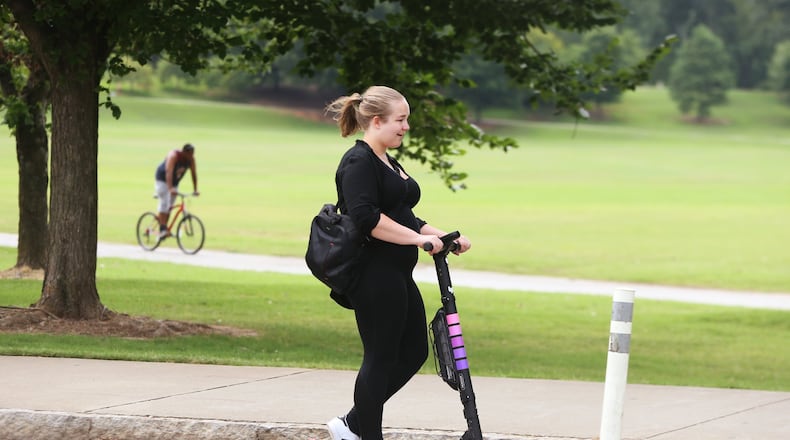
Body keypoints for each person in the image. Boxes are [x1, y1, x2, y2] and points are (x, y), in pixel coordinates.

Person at [324, 85, 471, 440]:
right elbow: (366, 218)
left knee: (415, 351)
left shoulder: (387, 160)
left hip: (396, 273)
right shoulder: (358, 162)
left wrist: (444, 235)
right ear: (377, 121)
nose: (406, 127)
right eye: (400, 120)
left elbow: (405, 215)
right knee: (380, 357)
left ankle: (353, 424)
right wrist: (420, 239)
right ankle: (364, 434)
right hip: (373, 274)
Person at [154, 143, 199, 238]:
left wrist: (195, 189)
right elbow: (169, 172)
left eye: (192, 154)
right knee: (164, 203)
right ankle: (162, 230)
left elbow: (194, 174)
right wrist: (170, 188)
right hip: (162, 179)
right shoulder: (173, 156)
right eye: (189, 154)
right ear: (184, 153)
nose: (191, 156)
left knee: (170, 206)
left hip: (174, 182)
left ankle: (165, 228)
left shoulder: (191, 160)